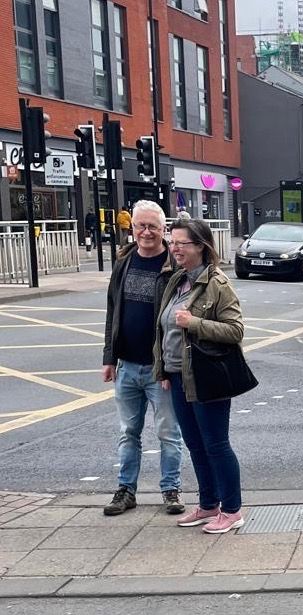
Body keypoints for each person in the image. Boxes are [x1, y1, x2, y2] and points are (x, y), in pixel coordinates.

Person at [154, 219, 246, 534]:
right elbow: (163, 330)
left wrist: (194, 323)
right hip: (179, 376)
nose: (175, 248)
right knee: (194, 443)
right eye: (173, 241)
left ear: (200, 247)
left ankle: (232, 509)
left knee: (216, 443)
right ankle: (209, 504)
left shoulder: (217, 283)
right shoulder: (175, 280)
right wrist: (164, 370)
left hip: (207, 375)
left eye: (182, 243)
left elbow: (235, 331)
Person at [102, 200, 184, 517]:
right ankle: (126, 491)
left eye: (153, 226)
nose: (146, 232)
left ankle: (171, 490)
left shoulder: (173, 266)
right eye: (140, 226)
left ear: (164, 229)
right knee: (128, 432)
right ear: (132, 227)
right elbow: (113, 312)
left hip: (160, 369)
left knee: (168, 433)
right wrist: (109, 357)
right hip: (127, 366)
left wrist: (170, 365)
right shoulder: (124, 262)